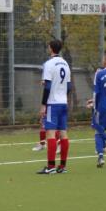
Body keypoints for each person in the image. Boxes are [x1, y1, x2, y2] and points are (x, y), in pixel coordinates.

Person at [37, 39, 71, 174]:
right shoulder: (65, 63)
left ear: (51, 48)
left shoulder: (49, 64)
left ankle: (50, 167)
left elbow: (48, 87)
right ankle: (62, 167)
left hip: (53, 103)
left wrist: (43, 105)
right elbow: (68, 86)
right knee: (63, 133)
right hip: (63, 103)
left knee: (50, 133)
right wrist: (62, 94)